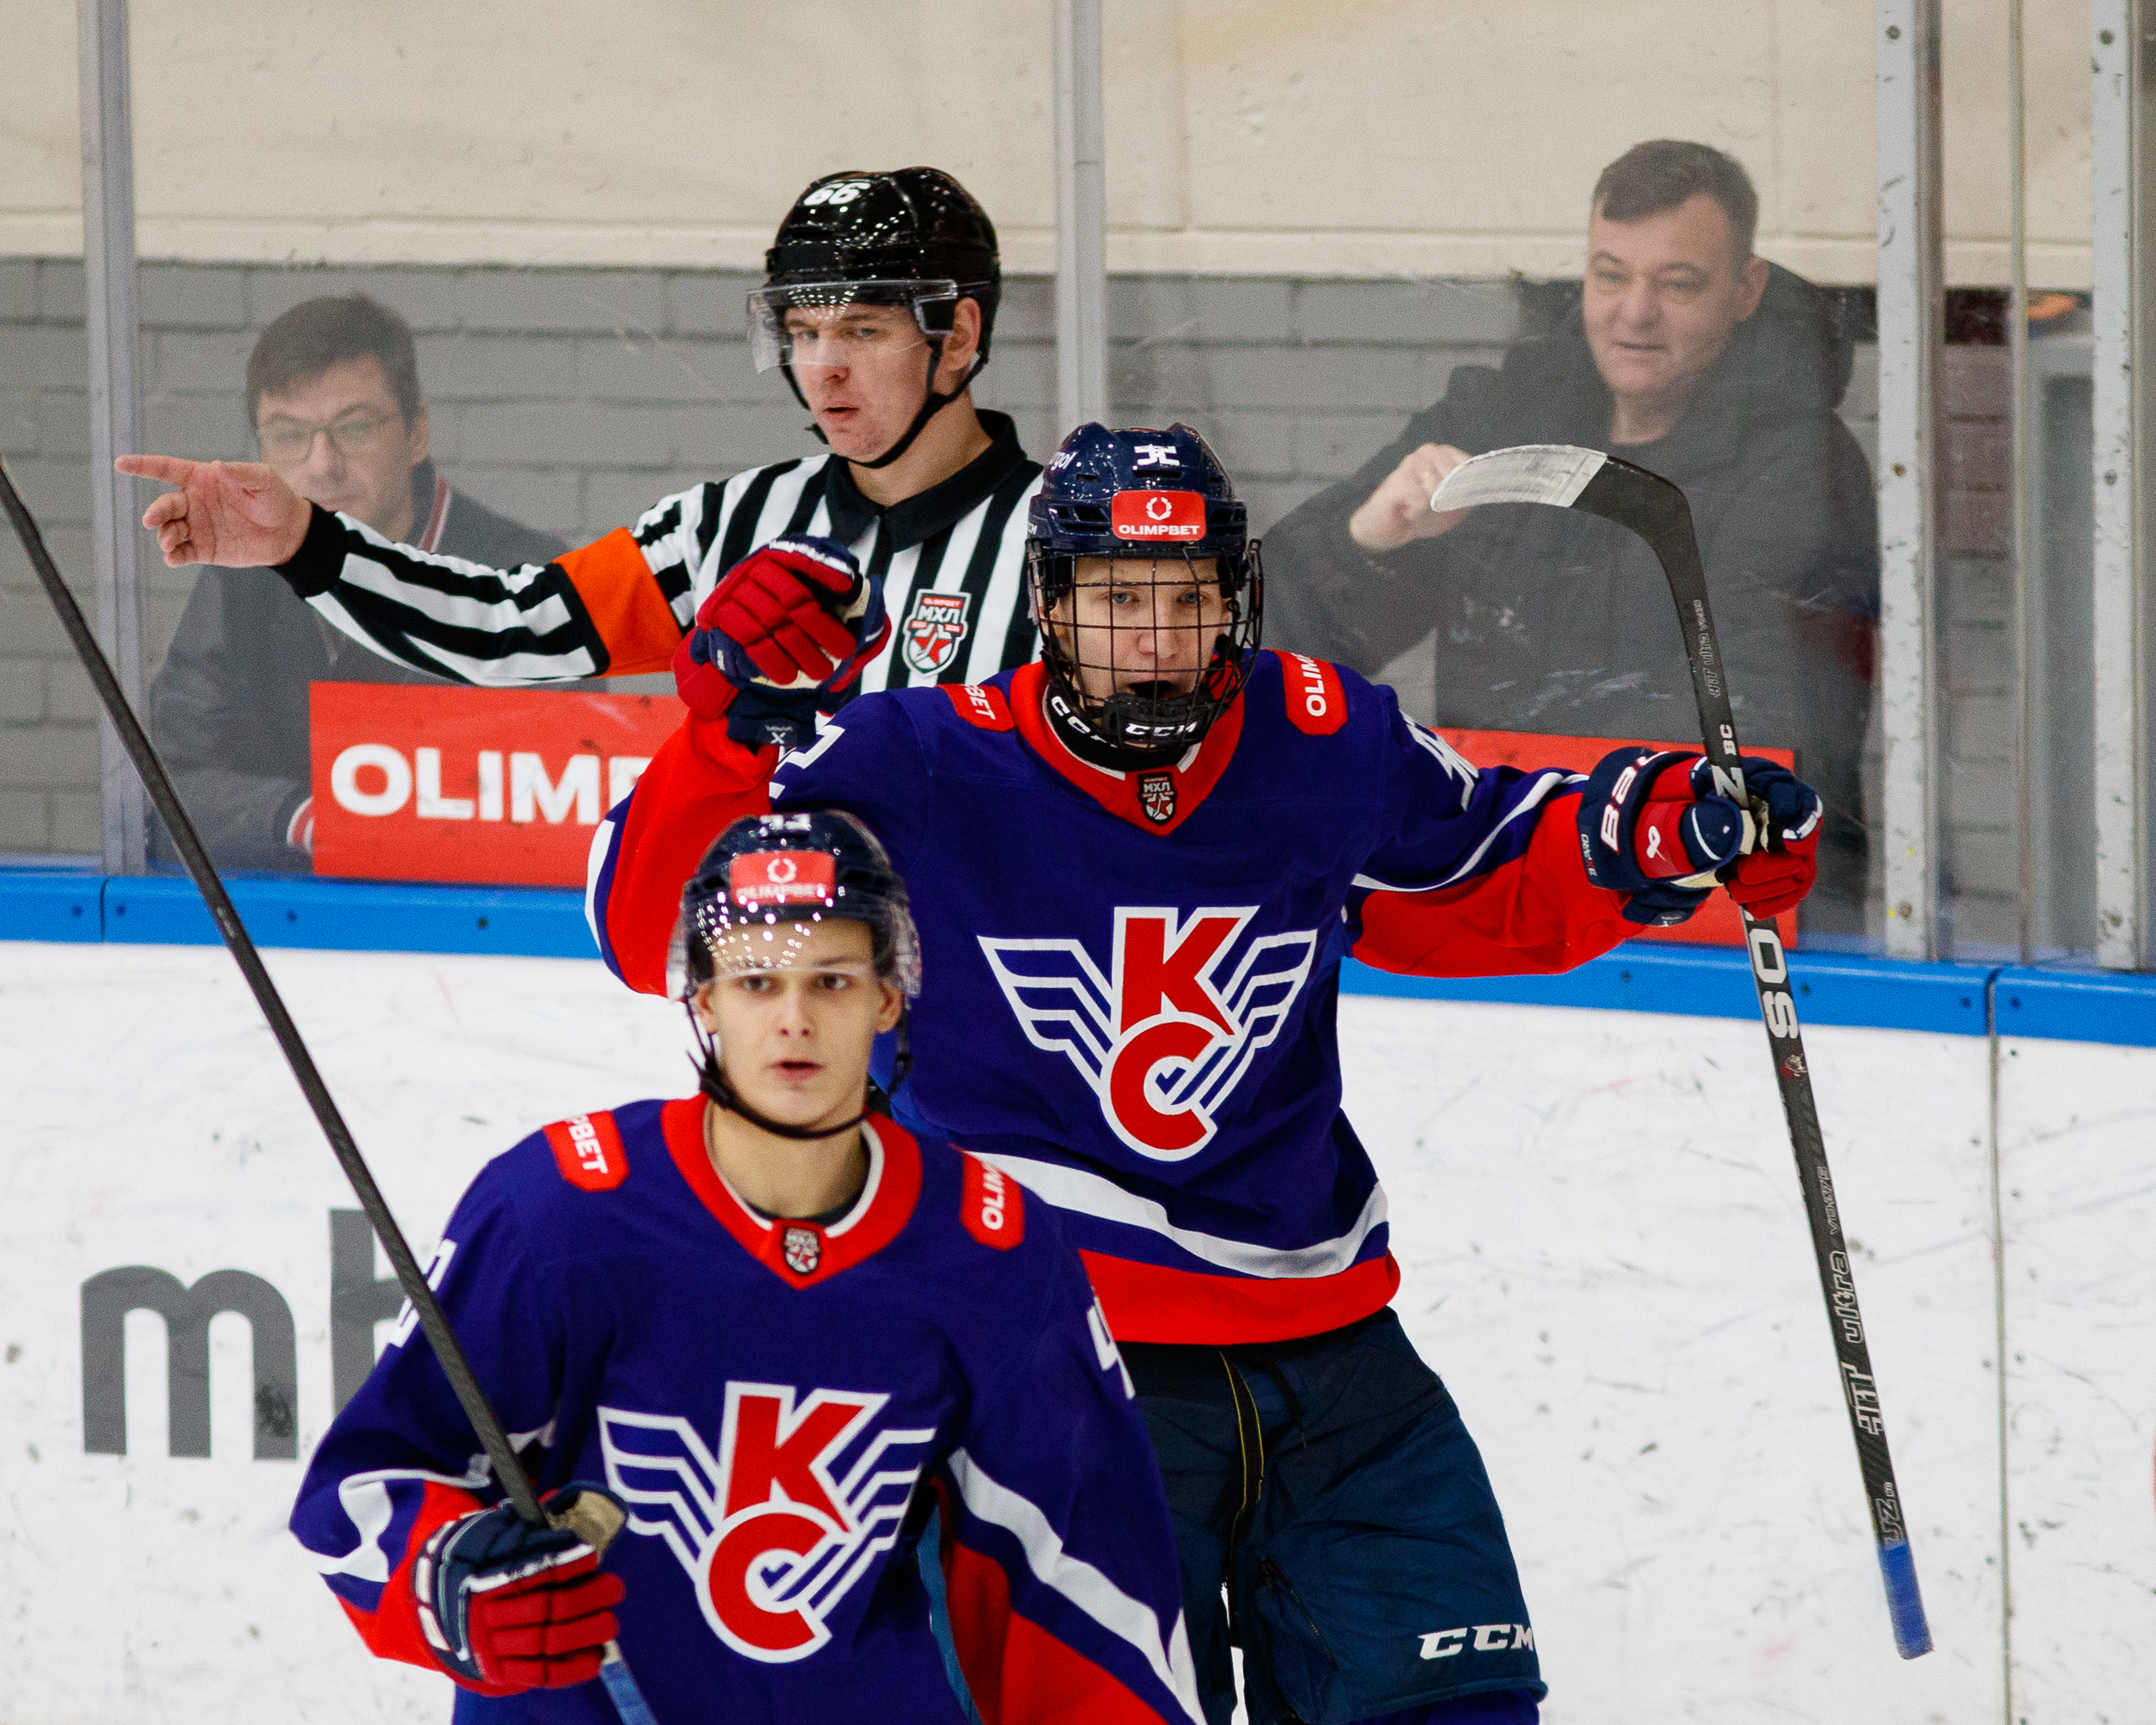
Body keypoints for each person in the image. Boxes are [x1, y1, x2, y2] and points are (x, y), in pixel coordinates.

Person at [568, 425, 1820, 1724]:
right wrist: (723, 737)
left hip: (1335, 1362)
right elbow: (657, 933)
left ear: (1237, 598)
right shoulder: (924, 764)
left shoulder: (1319, 737)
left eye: (1189, 599)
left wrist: (1661, 831)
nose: (1160, 641)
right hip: (1057, 1359)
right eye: (1119, 601)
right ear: (1051, 604)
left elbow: (1481, 869)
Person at [291, 809, 1202, 1725]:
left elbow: (1084, 1586)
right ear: (704, 1000)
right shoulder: (558, 1213)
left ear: (888, 998)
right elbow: (364, 1484)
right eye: (757, 981)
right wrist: (447, 1577)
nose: (794, 1019)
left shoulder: (990, 1252)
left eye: (832, 981)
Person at [123, 168, 1048, 760]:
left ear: (959, 334)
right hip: (782, 991)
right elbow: (510, 626)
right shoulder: (729, 525)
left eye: (863, 331)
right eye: (803, 332)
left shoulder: (1067, 542)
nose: (823, 368)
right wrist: (307, 543)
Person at [1262, 140, 1877, 932]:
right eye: (1610, 275)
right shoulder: (1499, 419)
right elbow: (1267, 655)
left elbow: (1762, 721)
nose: (1634, 313)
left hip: (1705, 905)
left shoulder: (1804, 467)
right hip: (1506, 888)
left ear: (1744, 289)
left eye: (1678, 284)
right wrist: (1369, 540)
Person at [147, 294, 565, 870]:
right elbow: (168, 787)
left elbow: (553, 804)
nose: (322, 464)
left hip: (470, 913)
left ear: (417, 433)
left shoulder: (524, 581)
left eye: (355, 427)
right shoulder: (246, 570)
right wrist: (304, 818)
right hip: (279, 912)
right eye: (289, 435)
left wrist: (363, 819)